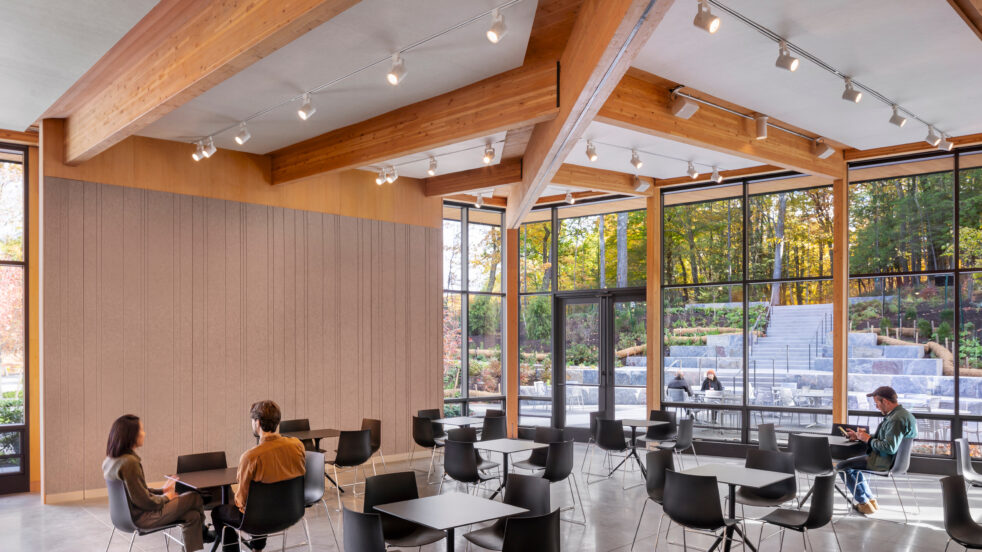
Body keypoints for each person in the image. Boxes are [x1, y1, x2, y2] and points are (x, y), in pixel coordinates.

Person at [102, 414, 211, 551]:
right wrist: (167, 498)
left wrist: (161, 491)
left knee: (192, 516)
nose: (144, 433)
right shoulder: (130, 463)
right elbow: (144, 502)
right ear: (131, 435)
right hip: (142, 518)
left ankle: (202, 532)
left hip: (121, 518)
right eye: (141, 430)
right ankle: (204, 533)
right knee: (195, 497)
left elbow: (135, 490)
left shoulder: (111, 461)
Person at [212, 400, 305, 551]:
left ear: (258, 423)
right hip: (292, 512)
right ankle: (257, 549)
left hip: (259, 520)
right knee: (261, 503)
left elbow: (241, 502)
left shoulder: (251, 457)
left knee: (219, 512)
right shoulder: (297, 445)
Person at [837, 386, 917, 515]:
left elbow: (889, 448)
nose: (876, 407)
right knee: (853, 466)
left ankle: (864, 503)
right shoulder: (903, 415)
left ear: (885, 401)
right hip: (895, 462)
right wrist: (859, 437)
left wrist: (868, 439)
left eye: (877, 403)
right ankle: (870, 501)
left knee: (842, 466)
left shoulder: (896, 419)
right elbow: (887, 439)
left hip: (885, 461)